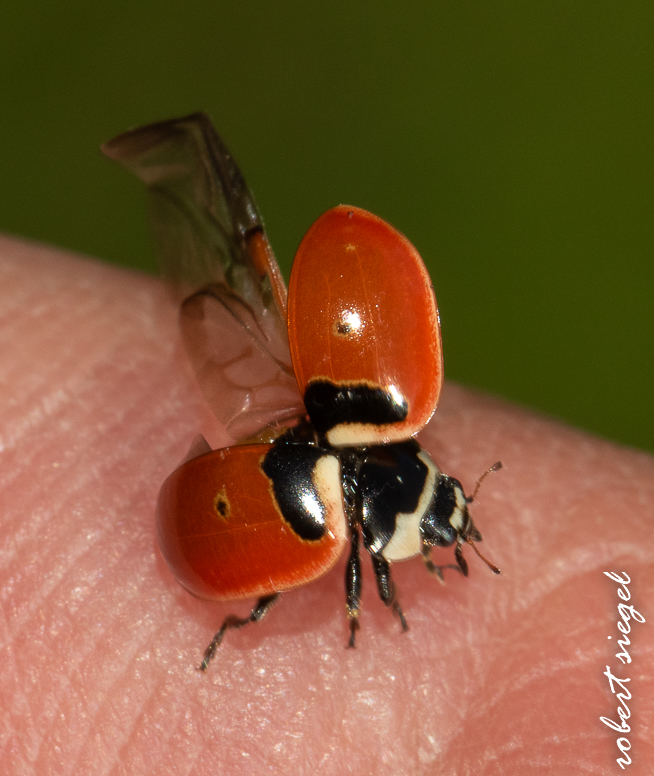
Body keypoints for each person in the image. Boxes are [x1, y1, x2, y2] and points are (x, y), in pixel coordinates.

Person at [1, 234, 651, 774]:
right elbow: (367, 577)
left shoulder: (346, 445)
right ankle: (234, 628)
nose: (442, 528)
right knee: (275, 602)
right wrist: (371, 611)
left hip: (216, 495)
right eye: (438, 521)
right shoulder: (352, 524)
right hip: (202, 528)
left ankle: (234, 626)